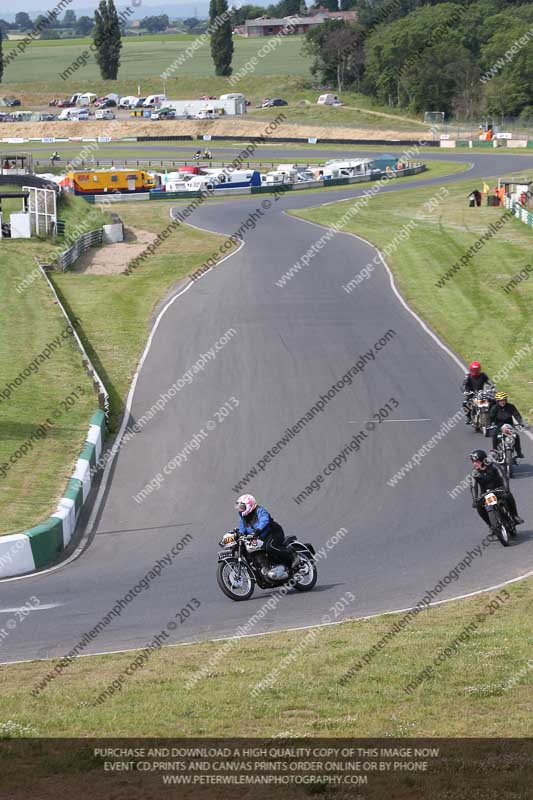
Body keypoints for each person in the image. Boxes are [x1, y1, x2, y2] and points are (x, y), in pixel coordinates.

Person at [235, 494, 298, 572]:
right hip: (260, 537)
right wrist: (238, 535)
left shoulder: (259, 510)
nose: (240, 509)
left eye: (242, 507)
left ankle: (292, 554)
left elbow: (264, 520)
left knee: (270, 547)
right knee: (254, 549)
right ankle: (266, 567)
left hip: (273, 532)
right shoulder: (243, 518)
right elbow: (242, 528)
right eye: (240, 507)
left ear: (249, 505)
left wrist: (257, 530)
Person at [469, 449, 524, 529]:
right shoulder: (474, 473)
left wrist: (506, 489)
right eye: (473, 462)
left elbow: (503, 476)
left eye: (476, 461)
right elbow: (474, 486)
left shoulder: (493, 466)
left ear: (483, 460)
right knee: (479, 507)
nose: (474, 464)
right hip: (485, 493)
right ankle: (491, 525)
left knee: (508, 496)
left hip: (499, 489)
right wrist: (474, 500)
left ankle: (515, 516)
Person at [489, 391, 525, 458]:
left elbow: (517, 415)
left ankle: (519, 452)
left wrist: (520, 422)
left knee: (516, 436)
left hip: (509, 425)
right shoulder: (494, 408)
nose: (502, 402)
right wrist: (489, 424)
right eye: (500, 401)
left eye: (503, 400)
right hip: (498, 425)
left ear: (506, 400)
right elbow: (490, 417)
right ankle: (494, 449)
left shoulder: (511, 406)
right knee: (494, 434)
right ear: (497, 401)